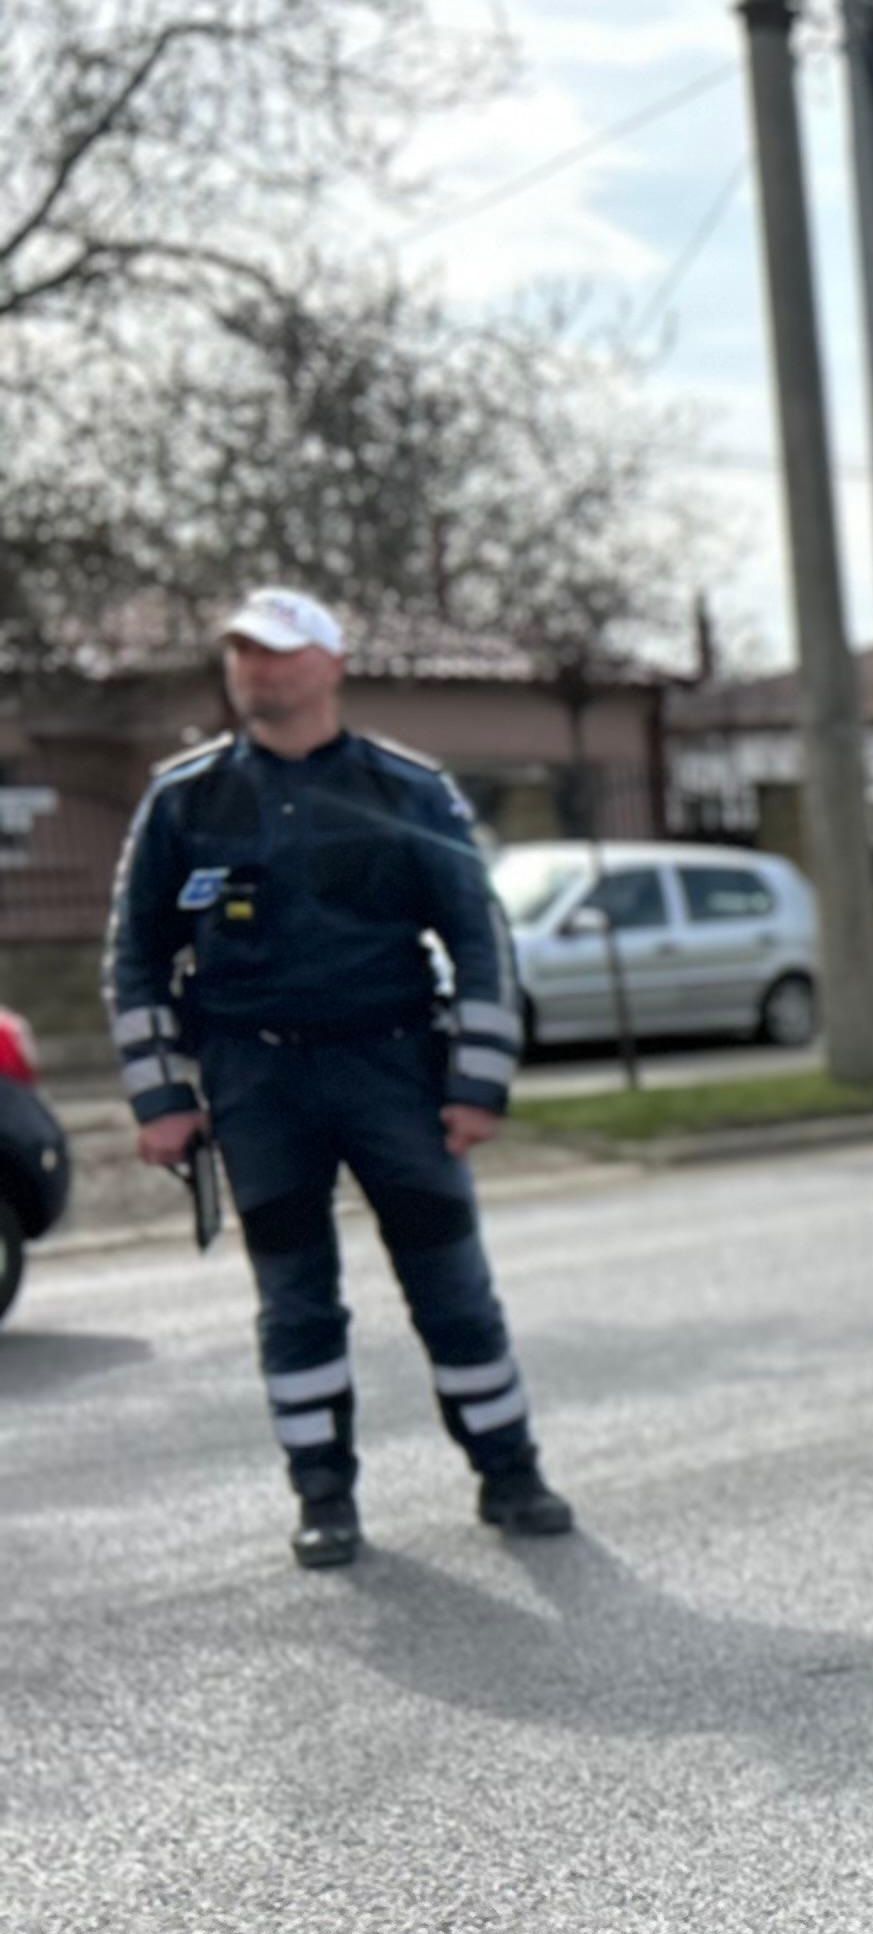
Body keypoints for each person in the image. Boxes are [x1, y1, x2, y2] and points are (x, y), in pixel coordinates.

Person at [103, 589, 571, 1568]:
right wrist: (161, 1099)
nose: (258, 670)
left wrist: (478, 1083)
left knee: (451, 1288)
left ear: (330, 663)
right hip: (255, 1085)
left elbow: (479, 940)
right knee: (295, 1302)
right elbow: (136, 957)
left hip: (390, 1072)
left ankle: (511, 1472)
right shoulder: (183, 800)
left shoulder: (408, 790)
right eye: (243, 653)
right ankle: (324, 1495)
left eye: (277, 652)